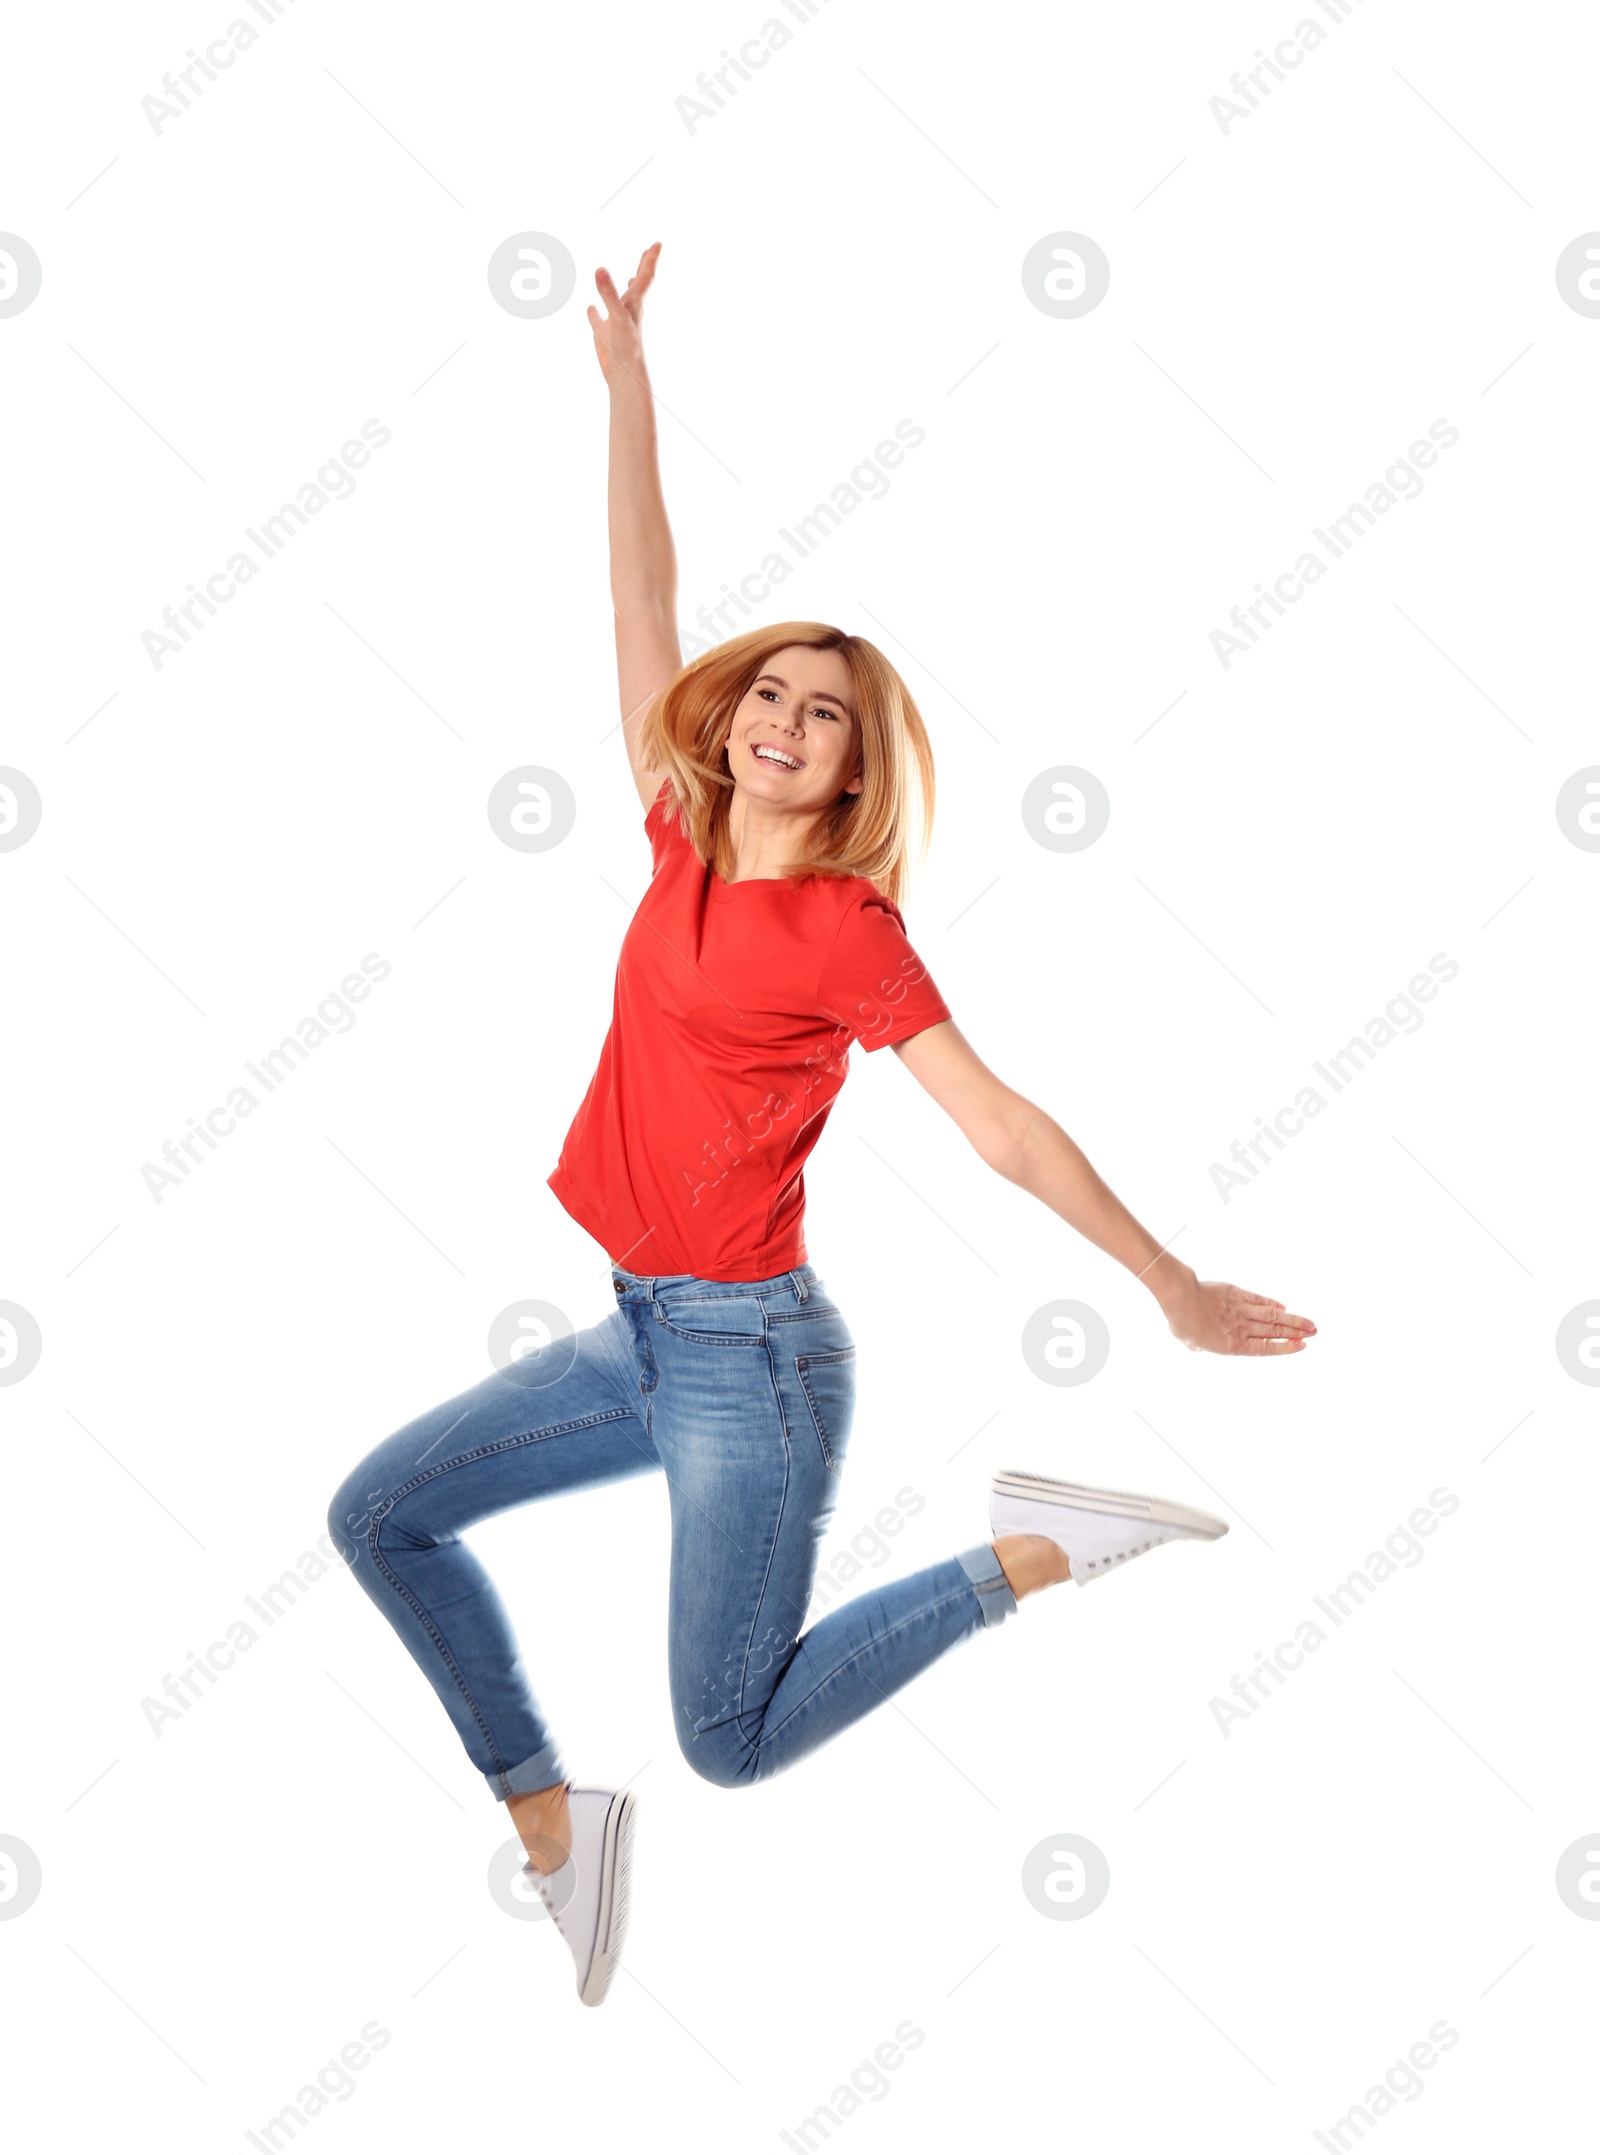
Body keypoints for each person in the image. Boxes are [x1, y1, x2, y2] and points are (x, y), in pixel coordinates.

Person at [327, 242, 1316, 2009]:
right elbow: (643, 596)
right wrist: (628, 390)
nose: (782, 720)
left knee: (732, 1736)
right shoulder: (678, 828)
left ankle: (1037, 1546)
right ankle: (553, 1826)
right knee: (381, 1513)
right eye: (769, 692)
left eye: (824, 713)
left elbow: (999, 1126)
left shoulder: (846, 930)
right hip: (643, 1335)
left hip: (751, 1364)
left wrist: (1167, 1282)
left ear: (859, 767)